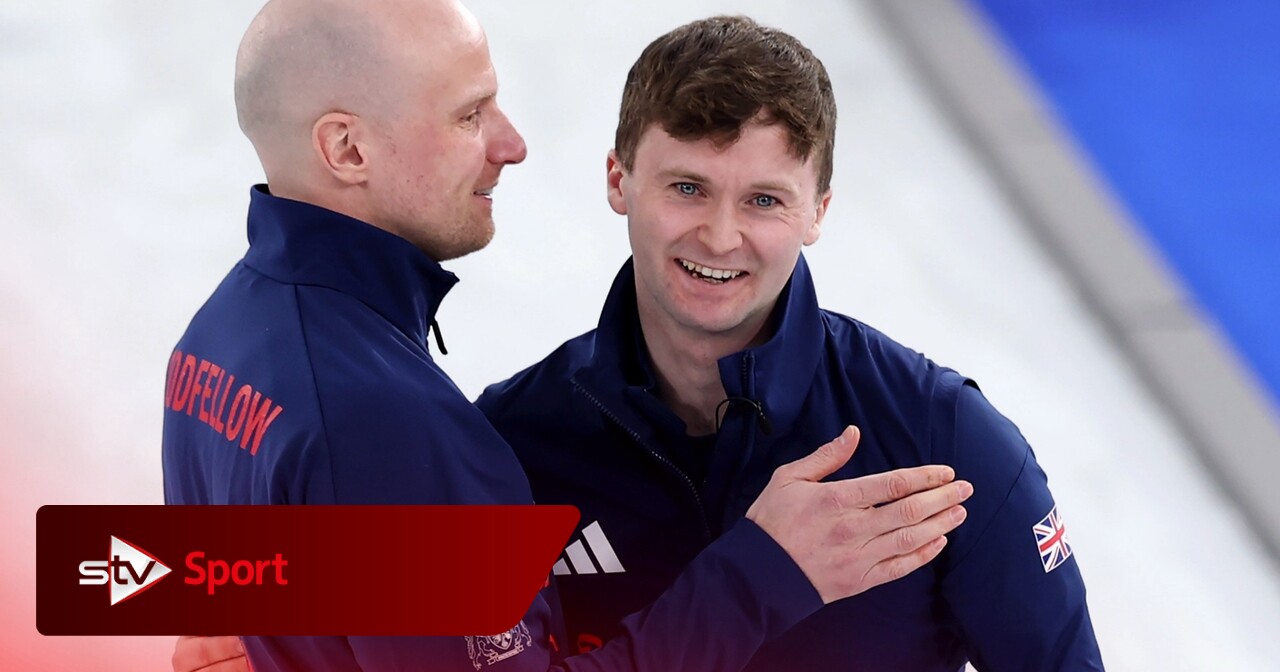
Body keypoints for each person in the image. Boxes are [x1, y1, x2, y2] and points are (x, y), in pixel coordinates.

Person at [162, 1, 974, 671]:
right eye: (469, 114)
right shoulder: (399, 430)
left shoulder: (212, 345)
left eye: (763, 199)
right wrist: (762, 573)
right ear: (346, 147)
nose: (511, 145)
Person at [471, 15, 1105, 671]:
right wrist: (760, 574)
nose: (719, 237)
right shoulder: (503, 446)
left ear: (817, 213)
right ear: (618, 180)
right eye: (688, 188)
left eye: (764, 201)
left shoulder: (940, 439)